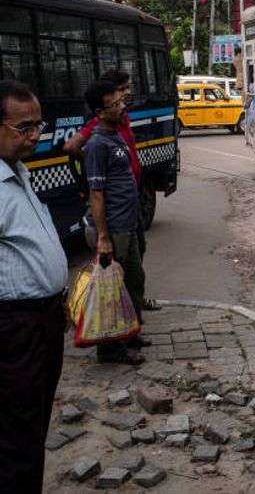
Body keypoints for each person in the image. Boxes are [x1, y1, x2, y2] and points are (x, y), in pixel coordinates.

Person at [0, 79, 69, 493]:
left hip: (41, 320)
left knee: (33, 423)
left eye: (38, 125)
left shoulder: (19, 172)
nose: (35, 136)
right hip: (13, 329)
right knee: (17, 437)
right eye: (23, 127)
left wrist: (54, 298)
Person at [64, 69, 161, 311]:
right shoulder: (98, 136)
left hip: (131, 206)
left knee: (135, 263)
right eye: (122, 91)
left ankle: (133, 319)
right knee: (115, 277)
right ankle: (115, 335)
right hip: (116, 217)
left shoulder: (119, 124)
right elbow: (95, 190)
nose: (126, 95)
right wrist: (94, 165)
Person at [82, 79, 149, 365]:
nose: (122, 106)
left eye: (121, 101)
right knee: (111, 290)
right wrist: (103, 237)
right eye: (115, 104)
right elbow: (96, 194)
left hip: (128, 223)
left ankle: (129, 333)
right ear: (99, 111)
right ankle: (109, 349)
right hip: (113, 229)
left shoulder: (116, 135)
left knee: (134, 280)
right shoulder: (96, 144)